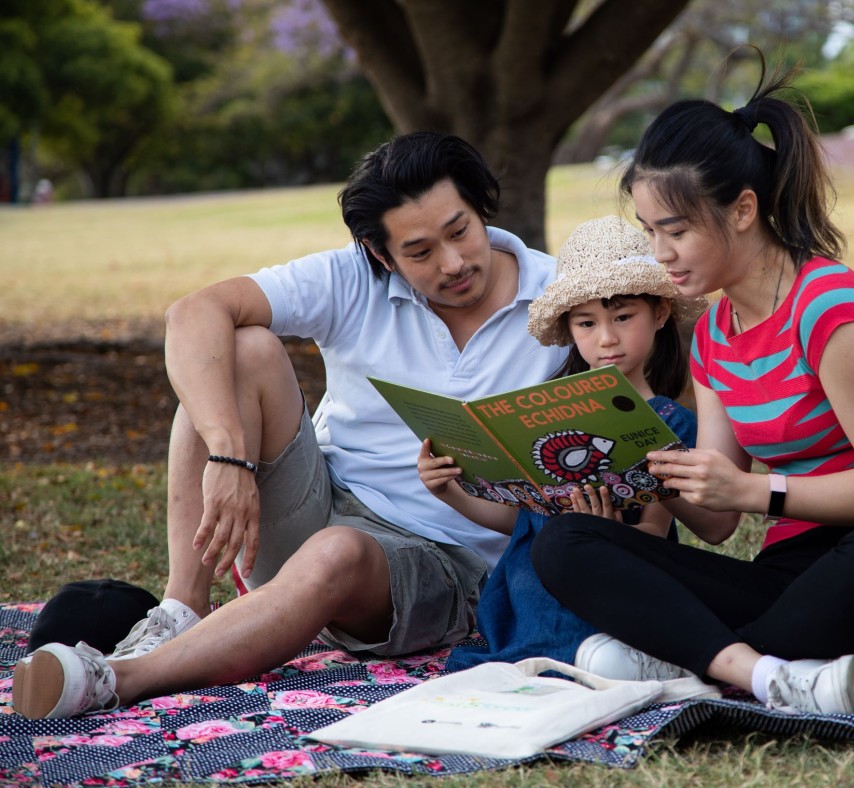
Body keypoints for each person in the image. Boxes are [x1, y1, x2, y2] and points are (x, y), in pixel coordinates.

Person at [12, 132, 567, 719]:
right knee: (240, 350)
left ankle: (118, 679)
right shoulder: (355, 278)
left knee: (336, 553)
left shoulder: (560, 297)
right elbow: (192, 313)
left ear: (481, 209)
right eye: (421, 251)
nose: (453, 263)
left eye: (459, 232)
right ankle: (182, 610)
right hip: (319, 502)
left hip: (449, 563)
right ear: (382, 256)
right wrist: (228, 454)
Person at [531, 59, 854, 715]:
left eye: (677, 230)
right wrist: (639, 459)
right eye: (652, 231)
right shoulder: (716, 329)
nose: (661, 253)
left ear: (743, 209)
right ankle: (764, 673)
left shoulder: (831, 309)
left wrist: (754, 490)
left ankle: (690, 662)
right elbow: (716, 522)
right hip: (794, 580)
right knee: (566, 544)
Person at [417, 215, 706, 671]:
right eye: (586, 323)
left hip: (604, 591)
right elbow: (520, 519)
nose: (606, 338)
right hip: (527, 593)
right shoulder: (547, 410)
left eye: (624, 317)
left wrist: (607, 531)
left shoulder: (670, 424)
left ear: (660, 313)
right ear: (570, 330)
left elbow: (656, 534)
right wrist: (448, 490)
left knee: (583, 658)